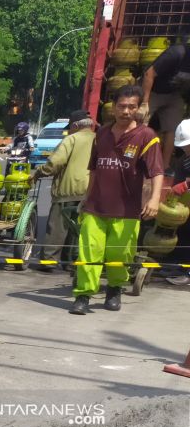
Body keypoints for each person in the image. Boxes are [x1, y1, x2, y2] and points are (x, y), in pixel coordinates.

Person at [70, 85, 164, 315]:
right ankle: (83, 295)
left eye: (132, 107)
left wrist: (154, 199)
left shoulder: (147, 137)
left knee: (118, 255)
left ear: (139, 108)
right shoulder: (101, 134)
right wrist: (85, 198)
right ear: (113, 107)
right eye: (121, 106)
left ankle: (114, 290)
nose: (126, 111)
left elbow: (157, 172)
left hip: (127, 211)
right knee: (89, 252)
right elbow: (94, 169)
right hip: (96, 207)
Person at [30, 109, 95, 270]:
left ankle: (50, 260)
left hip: (68, 189)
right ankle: (72, 262)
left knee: (57, 227)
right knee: (78, 229)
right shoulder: (99, 139)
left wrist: (38, 173)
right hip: (90, 192)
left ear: (75, 126)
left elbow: (55, 163)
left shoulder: (71, 139)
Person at [141, 40, 190, 166]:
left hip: (174, 94)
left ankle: (165, 166)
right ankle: (135, 160)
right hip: (154, 91)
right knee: (141, 123)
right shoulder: (177, 53)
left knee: (173, 128)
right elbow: (149, 73)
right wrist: (144, 102)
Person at [159, 118, 190, 285]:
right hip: (186, 206)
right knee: (184, 233)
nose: (185, 148)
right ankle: (180, 266)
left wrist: (185, 184)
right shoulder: (184, 159)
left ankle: (188, 271)